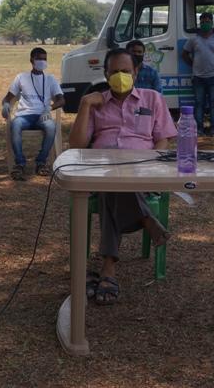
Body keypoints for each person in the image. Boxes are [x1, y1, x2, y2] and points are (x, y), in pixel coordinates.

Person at [69, 48, 177, 305]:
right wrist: (84, 104)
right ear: (106, 75)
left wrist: (150, 164)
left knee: (116, 188)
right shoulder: (96, 103)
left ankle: (109, 267)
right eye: (114, 72)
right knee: (111, 184)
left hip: (142, 172)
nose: (120, 76)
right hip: (103, 173)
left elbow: (162, 140)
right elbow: (76, 145)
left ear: (136, 72)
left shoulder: (153, 99)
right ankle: (146, 219)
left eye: (125, 71)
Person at [1, 47, 64, 180]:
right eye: (39, 59)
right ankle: (20, 164)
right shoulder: (21, 77)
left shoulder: (50, 79)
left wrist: (50, 108)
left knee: (51, 127)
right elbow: (8, 97)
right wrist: (6, 105)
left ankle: (41, 162)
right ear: (32, 60)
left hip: (43, 115)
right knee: (15, 125)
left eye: (45, 59)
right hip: (24, 116)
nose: (42, 61)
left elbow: (61, 100)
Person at [181, 11, 214, 136]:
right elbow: (184, 54)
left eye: (207, 22)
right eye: (202, 22)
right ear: (199, 23)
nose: (205, 24)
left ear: (212, 23)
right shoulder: (194, 39)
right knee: (198, 104)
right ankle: (199, 130)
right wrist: (193, 65)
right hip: (198, 77)